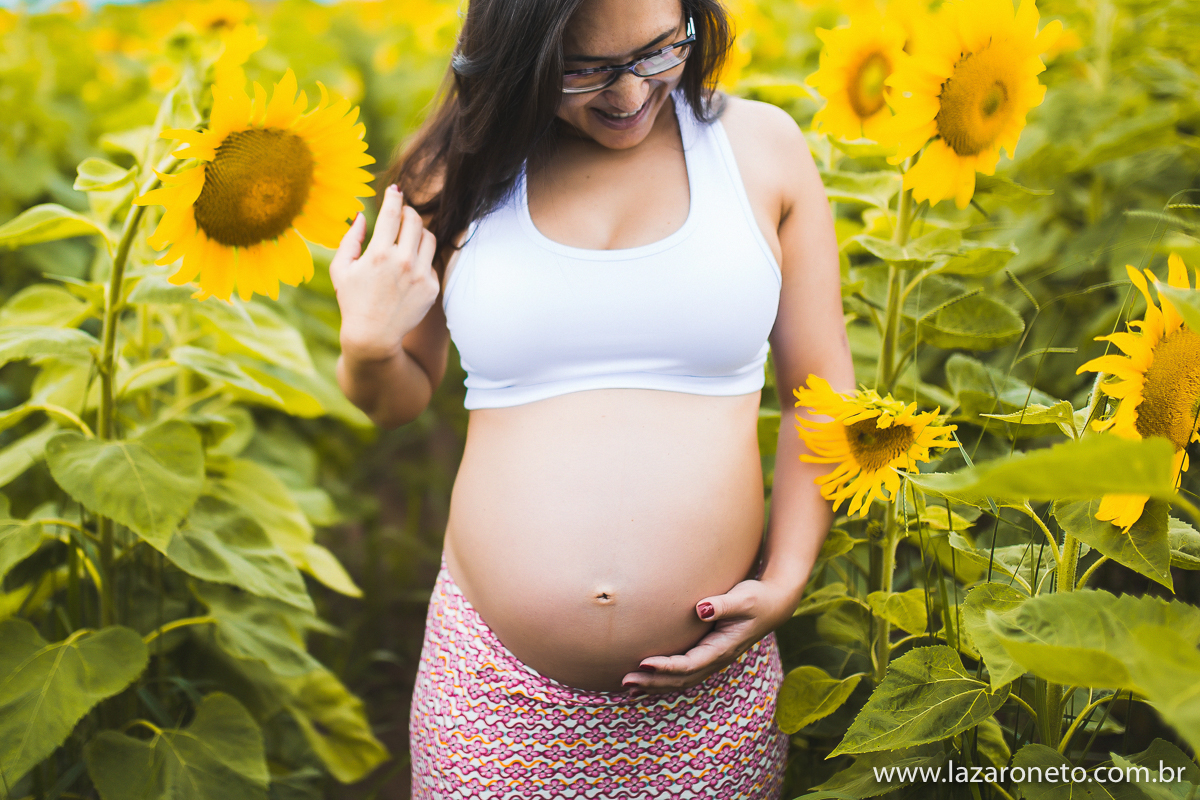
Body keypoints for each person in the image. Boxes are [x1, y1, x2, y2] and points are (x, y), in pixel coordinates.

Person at [331, 0, 854, 795]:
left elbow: (819, 393)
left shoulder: (759, 150)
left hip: (711, 697)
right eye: (583, 69)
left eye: (657, 52)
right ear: (516, 56)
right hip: (493, 694)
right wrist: (369, 345)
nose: (628, 94)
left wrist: (787, 577)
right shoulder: (452, 170)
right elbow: (399, 399)